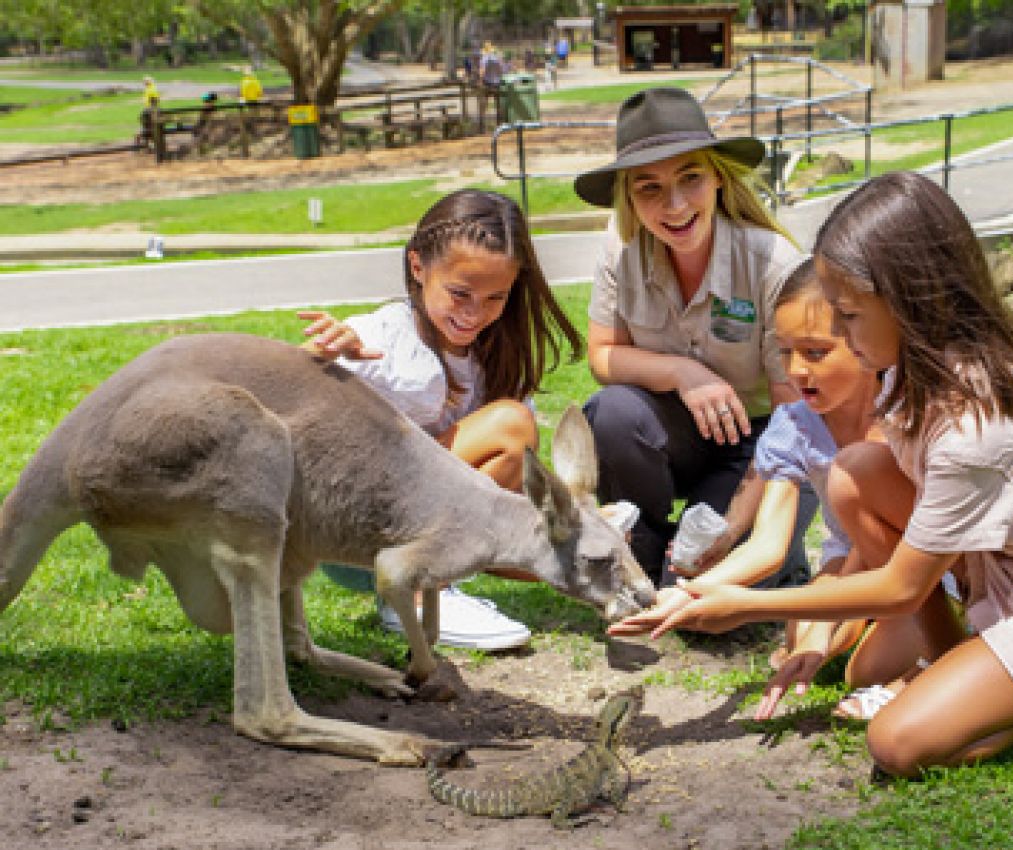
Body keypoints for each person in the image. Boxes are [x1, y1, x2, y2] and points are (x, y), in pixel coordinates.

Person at [611, 171, 1013, 777]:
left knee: (897, 743)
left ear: (909, 301)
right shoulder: (905, 371)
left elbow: (902, 586)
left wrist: (744, 606)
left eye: (847, 317)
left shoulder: (972, 420)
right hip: (998, 565)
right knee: (855, 473)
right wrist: (720, 595)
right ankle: (972, 669)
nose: (842, 336)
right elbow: (865, 543)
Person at [655, 258, 963, 721]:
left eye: (815, 352)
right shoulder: (794, 425)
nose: (795, 371)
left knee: (860, 670)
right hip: (854, 562)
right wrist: (689, 593)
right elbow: (768, 545)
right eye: (784, 352)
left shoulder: (896, 412)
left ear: (862, 346)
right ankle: (883, 633)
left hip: (927, 562)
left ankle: (953, 635)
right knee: (811, 647)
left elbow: (869, 538)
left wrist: (820, 619)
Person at [298, 189, 584, 651]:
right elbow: (280, 400)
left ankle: (434, 584)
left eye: (495, 297)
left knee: (552, 539)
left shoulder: (493, 359)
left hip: (408, 527)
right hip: (354, 534)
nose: (474, 313)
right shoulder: (379, 336)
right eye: (460, 293)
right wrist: (321, 357)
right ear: (418, 267)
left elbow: (503, 500)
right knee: (510, 427)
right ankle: (413, 594)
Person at [573, 86, 817, 589]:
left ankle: (774, 552)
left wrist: (733, 528)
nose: (675, 205)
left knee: (696, 592)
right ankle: (640, 545)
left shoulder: (773, 263)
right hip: (671, 435)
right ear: (628, 198)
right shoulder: (619, 248)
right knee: (612, 411)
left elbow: (795, 415)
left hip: (762, 442)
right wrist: (685, 374)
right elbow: (602, 354)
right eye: (649, 188)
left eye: (691, 178)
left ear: (719, 179)